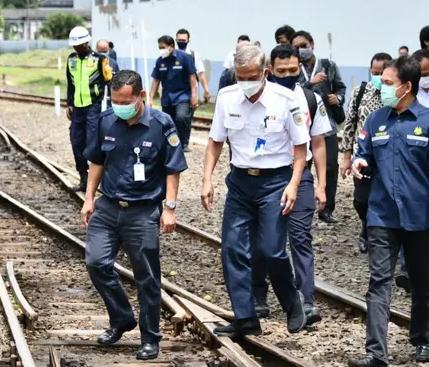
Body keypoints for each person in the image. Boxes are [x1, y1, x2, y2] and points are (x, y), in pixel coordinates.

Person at [348, 56, 429, 367]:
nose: (381, 88)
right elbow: (364, 154)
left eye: (388, 83)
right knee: (378, 281)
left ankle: (421, 338)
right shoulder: (376, 120)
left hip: (422, 217)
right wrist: (359, 164)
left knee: (421, 283)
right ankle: (376, 353)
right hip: (382, 216)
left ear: (407, 87)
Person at [201, 44, 309, 338]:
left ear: (265, 73)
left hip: (275, 183)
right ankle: (245, 317)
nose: (245, 83)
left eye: (251, 76)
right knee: (233, 250)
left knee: (272, 251)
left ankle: (292, 302)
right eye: (240, 76)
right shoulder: (227, 97)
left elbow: (301, 150)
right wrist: (207, 178)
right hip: (239, 183)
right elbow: (215, 141)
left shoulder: (285, 100)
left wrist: (294, 184)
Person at [81, 70, 187, 361]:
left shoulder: (162, 124)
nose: (120, 105)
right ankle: (122, 318)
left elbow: (173, 169)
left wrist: (169, 207)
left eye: (125, 100)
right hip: (108, 206)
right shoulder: (106, 121)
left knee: (147, 278)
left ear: (141, 96)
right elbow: (96, 161)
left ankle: (150, 338)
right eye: (115, 100)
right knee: (96, 262)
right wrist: (89, 198)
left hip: (142, 212)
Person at [251, 43, 330, 324]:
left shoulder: (310, 99)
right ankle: (258, 295)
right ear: (270, 70)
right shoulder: (259, 98)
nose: (288, 74)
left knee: (300, 237)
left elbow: (319, 143)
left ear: (301, 68)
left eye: (293, 70)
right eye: (281, 70)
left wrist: (321, 185)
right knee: (264, 240)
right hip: (269, 177)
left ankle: (305, 300)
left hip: (303, 176)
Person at [291, 30, 346, 224]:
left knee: (330, 166)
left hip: (327, 124)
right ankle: (298, 205)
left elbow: (341, 88)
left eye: (303, 45)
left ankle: (326, 209)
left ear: (312, 44)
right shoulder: (294, 67)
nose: (301, 50)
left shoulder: (328, 65)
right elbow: (292, 89)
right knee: (302, 165)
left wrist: (337, 98)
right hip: (301, 125)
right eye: (296, 47)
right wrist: (309, 82)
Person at [340, 53, 390, 254]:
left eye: (381, 73)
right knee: (361, 201)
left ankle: (379, 235)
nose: (377, 76)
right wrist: (345, 157)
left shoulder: (394, 94)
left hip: (386, 157)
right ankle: (366, 225)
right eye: (374, 72)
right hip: (363, 157)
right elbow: (350, 124)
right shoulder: (360, 91)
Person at [66, 26, 114, 191]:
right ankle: (83, 177)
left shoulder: (99, 60)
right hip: (78, 109)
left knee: (93, 143)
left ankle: (99, 180)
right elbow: (70, 84)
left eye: (79, 44)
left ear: (86, 43)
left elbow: (110, 81)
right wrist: (69, 104)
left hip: (94, 107)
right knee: (76, 141)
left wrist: (111, 105)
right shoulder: (71, 60)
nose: (77, 48)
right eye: (74, 45)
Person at [149, 36, 198, 153]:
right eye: (159, 48)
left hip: (183, 95)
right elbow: (156, 80)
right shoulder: (160, 61)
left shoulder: (185, 57)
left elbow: (192, 77)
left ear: (171, 47)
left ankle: (184, 143)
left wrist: (194, 95)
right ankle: (171, 143)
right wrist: (150, 98)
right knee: (167, 121)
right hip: (167, 97)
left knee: (182, 117)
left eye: (163, 47)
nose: (161, 50)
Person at [176, 28, 211, 103]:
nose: (181, 42)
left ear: (188, 40)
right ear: (176, 40)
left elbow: (200, 74)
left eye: (183, 40)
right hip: (174, 93)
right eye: (179, 40)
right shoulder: (172, 56)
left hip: (189, 93)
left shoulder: (193, 55)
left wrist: (206, 90)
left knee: (183, 114)